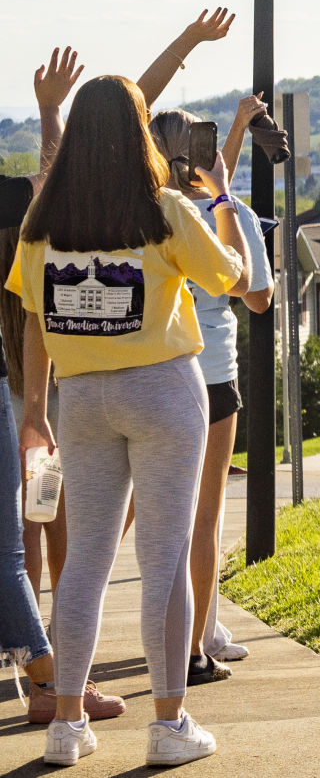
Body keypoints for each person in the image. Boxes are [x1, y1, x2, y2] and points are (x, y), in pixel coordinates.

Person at [11, 75, 246, 767]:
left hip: (79, 399)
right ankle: (169, 721)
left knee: (83, 558)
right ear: (137, 134)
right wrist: (224, 195)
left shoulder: (45, 223)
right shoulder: (162, 209)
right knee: (163, 556)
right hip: (164, 393)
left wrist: (33, 411)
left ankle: (68, 721)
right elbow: (230, 275)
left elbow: (31, 317)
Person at [0, 49, 126, 730]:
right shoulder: (27, 206)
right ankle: (52, 679)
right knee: (34, 543)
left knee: (38, 539)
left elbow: (53, 185)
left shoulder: (21, 201)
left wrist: (52, 111)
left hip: (33, 396)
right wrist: (51, 111)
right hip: (33, 398)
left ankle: (52, 669)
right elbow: (56, 190)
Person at [147, 101, 274, 683]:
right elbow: (257, 299)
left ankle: (68, 642)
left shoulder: (143, 214)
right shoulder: (232, 215)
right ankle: (194, 650)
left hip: (148, 370)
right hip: (213, 375)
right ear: (200, 155)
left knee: (132, 519)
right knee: (205, 519)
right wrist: (227, 198)